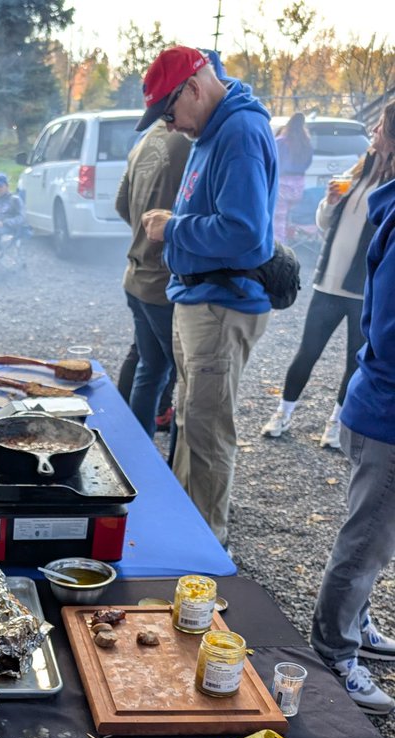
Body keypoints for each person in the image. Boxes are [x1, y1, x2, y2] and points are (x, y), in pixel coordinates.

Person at [139, 46, 277, 549]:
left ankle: (203, 546)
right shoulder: (211, 128)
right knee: (190, 419)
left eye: (169, 112)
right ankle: (186, 527)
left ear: (193, 87)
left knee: (208, 432)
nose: (170, 126)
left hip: (221, 305)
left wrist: (174, 227)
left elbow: (247, 236)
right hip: (199, 300)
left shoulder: (238, 133)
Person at [262, 101, 395, 448]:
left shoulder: (392, 185)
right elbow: (325, 223)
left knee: (355, 360)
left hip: (363, 290)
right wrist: (330, 203)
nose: (375, 132)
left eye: (380, 127)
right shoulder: (361, 166)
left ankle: (335, 424)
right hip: (328, 281)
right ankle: (283, 412)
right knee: (308, 350)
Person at [310, 169, 395, 714]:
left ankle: (355, 624)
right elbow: (388, 334)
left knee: (374, 537)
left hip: (377, 409)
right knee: (365, 543)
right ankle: (334, 654)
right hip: (387, 415)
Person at [115, 120, 190, 439]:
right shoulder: (188, 142)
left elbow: (121, 203)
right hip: (163, 282)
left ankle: (133, 445)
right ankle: (153, 453)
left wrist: (143, 230)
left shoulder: (145, 140)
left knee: (150, 367)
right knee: (183, 376)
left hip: (136, 275)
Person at [273, 111, 313, 242]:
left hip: (282, 188)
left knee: (278, 223)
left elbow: (272, 162)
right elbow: (307, 163)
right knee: (286, 220)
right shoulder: (306, 143)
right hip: (298, 188)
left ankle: (278, 252)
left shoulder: (279, 142)